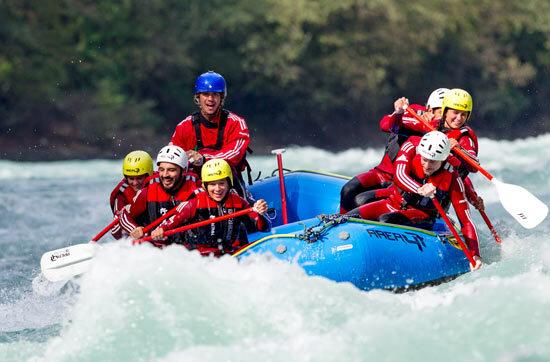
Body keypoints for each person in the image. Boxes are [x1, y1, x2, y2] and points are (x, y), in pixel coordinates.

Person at [350, 131, 482, 270]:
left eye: (433, 161)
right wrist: (420, 188)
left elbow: (466, 221)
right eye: (424, 159)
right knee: (351, 217)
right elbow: (399, 176)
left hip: (421, 215)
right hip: (393, 203)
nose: (427, 165)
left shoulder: (454, 179)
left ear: (443, 160)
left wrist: (475, 255)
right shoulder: (411, 147)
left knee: (385, 221)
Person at [340, 88, 449, 213]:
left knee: (361, 201)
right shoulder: (413, 111)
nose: (444, 119)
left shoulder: (446, 133)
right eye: (442, 113)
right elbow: (386, 125)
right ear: (430, 110)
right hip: (382, 173)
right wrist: (399, 113)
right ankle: (339, 223)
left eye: (448, 114)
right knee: (348, 190)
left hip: (402, 183)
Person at [150, 159, 270, 256]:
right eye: (212, 184)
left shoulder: (240, 203)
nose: (217, 189)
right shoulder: (193, 204)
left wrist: (261, 213)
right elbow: (168, 224)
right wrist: (160, 231)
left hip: (230, 254)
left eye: (222, 183)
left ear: (229, 183)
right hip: (199, 256)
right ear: (204, 186)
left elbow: (265, 228)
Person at [170, 70, 252, 196]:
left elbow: (234, 155)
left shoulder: (236, 123)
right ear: (198, 97)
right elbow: (171, 160)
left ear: (221, 98)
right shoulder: (184, 127)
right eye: (205, 94)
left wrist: (203, 158)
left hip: (227, 185)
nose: (210, 99)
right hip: (195, 185)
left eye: (215, 94)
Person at [119, 145, 201, 243]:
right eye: (161, 170)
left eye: (171, 170)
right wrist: (134, 228)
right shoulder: (148, 190)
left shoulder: (196, 187)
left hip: (189, 247)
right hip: (157, 248)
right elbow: (122, 215)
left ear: (183, 171)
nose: (165, 175)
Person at [109, 150, 154, 239]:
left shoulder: (161, 182)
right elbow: (115, 231)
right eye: (131, 178)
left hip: (156, 231)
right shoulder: (121, 194)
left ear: (149, 175)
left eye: (139, 178)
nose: (135, 183)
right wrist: (135, 230)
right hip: (133, 234)